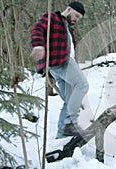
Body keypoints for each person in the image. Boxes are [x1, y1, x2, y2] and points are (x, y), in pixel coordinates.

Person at [31, 1, 89, 138]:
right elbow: (37, 29)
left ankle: (62, 135)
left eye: (79, 18)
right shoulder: (52, 17)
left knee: (69, 100)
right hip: (60, 62)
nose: (76, 19)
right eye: (76, 16)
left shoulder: (68, 28)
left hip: (61, 65)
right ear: (68, 9)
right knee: (82, 85)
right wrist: (38, 46)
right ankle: (70, 124)